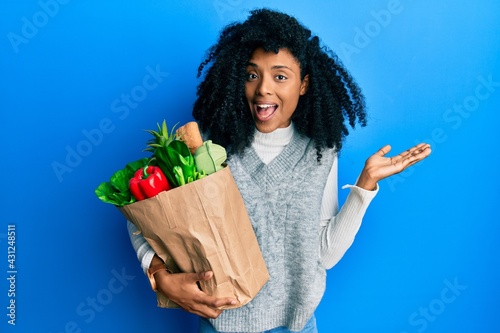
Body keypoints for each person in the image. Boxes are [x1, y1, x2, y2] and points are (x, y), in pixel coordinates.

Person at [127, 8, 431, 333]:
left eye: (280, 76)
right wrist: (159, 276)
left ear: (303, 85)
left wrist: (364, 186)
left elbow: (322, 255)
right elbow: (148, 213)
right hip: (220, 327)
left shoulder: (320, 153)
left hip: (295, 328)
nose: (263, 89)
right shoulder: (203, 148)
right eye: (251, 74)